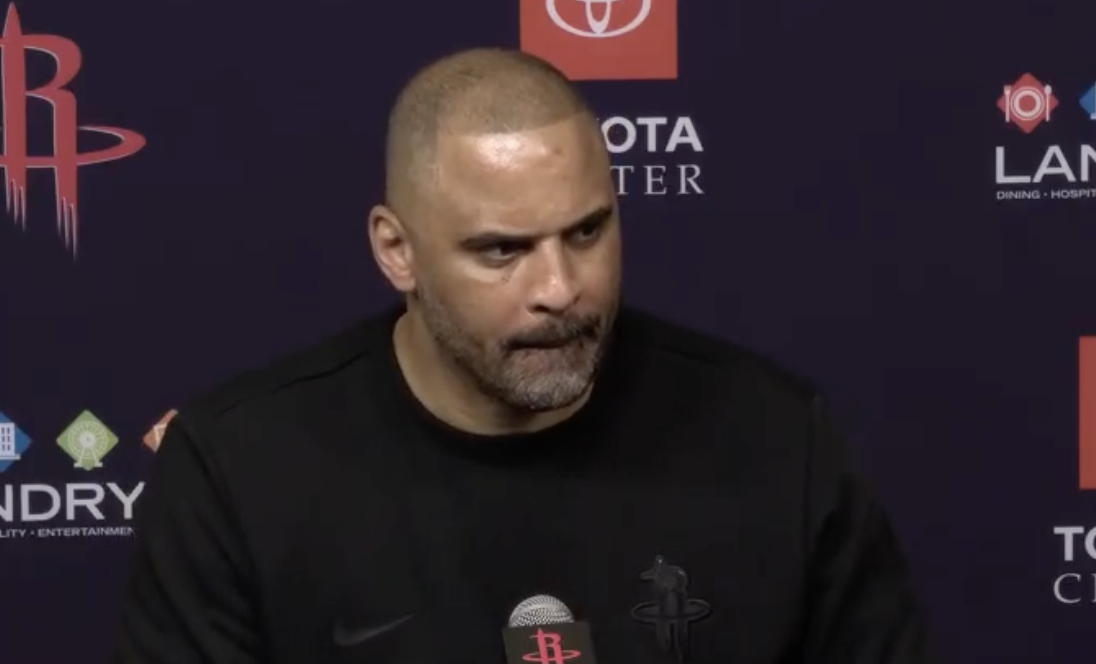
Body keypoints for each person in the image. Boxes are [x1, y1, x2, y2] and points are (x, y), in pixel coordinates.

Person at [111, 47, 933, 664]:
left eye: (588, 231)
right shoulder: (240, 472)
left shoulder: (777, 440)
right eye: (502, 250)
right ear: (397, 251)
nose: (560, 289)